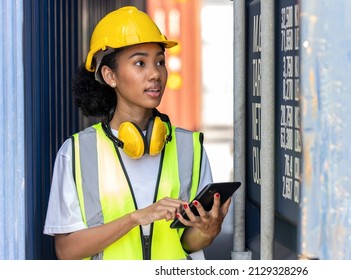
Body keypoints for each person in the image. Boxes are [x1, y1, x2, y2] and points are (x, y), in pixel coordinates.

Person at [43, 6, 230, 260]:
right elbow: (66, 251)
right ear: (110, 75)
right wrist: (135, 218)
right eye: (140, 63)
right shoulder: (76, 153)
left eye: (160, 62)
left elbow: (188, 243)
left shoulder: (190, 147)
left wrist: (209, 230)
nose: (155, 74)